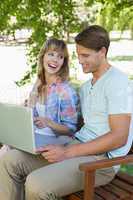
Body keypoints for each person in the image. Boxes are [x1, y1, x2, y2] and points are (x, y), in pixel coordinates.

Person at [0, 25, 131, 200]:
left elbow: (119, 137)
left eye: (85, 55)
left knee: (36, 184)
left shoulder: (117, 82)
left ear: (102, 51)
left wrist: (67, 152)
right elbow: (75, 124)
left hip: (101, 161)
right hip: (76, 146)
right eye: (78, 55)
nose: (80, 60)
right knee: (10, 161)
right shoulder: (86, 87)